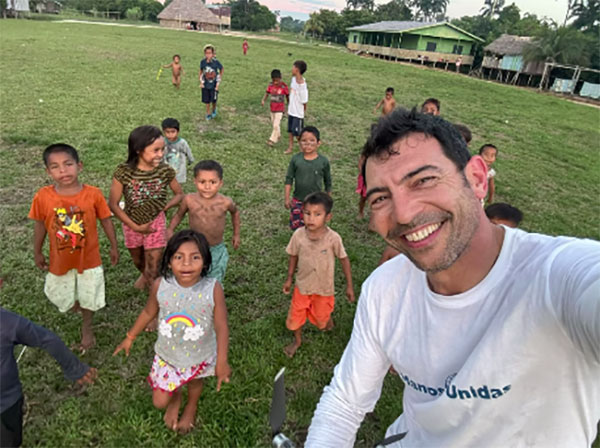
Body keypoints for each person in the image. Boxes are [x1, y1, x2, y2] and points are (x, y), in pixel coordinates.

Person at [305, 108, 600, 446]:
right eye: (381, 198)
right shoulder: (385, 288)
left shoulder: (557, 277)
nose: (403, 213)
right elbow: (344, 402)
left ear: (476, 178)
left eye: (423, 180)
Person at [113, 230, 231, 434]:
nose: (186, 264)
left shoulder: (213, 288)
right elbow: (149, 311)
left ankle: (191, 406)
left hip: (199, 353)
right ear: (168, 262)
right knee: (159, 401)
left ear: (205, 262)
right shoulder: (161, 285)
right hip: (167, 354)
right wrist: (130, 337)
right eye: (179, 257)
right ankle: (175, 394)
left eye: (195, 257)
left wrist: (222, 361)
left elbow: (221, 327)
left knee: (195, 382)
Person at [28, 143, 119, 352]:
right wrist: (37, 251)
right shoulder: (43, 196)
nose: (63, 171)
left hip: (89, 259)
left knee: (88, 294)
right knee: (60, 292)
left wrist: (114, 246)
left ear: (80, 166)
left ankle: (87, 327)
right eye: (55, 166)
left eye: (68, 164)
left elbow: (106, 219)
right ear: (47, 171)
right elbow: (40, 224)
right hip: (60, 259)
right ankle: (75, 303)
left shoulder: (93, 194)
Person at [108, 126, 183, 330]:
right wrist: (134, 226)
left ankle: (155, 311)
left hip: (155, 225)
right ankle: (145, 276)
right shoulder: (123, 172)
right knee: (138, 260)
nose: (161, 154)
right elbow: (113, 204)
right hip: (132, 224)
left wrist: (163, 208)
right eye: (156, 150)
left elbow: (179, 194)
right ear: (139, 150)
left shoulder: (165, 171)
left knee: (153, 269)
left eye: (162, 149)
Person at [1, 307, 98, 447]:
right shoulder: (8, 321)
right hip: (7, 406)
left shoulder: (7, 322)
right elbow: (47, 339)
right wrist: (75, 368)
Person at [282, 192, 354, 357]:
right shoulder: (298, 235)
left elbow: (344, 260)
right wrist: (289, 278)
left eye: (317, 214)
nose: (311, 219)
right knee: (296, 316)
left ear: (328, 217)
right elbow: (293, 256)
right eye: (307, 213)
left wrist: (349, 286)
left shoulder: (333, 239)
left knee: (321, 320)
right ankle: (297, 341)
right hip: (302, 286)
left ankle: (327, 319)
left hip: (324, 288)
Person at [167, 160, 240, 285]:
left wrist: (236, 234)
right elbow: (179, 215)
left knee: (215, 279)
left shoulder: (225, 202)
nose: (207, 187)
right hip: (195, 247)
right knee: (194, 277)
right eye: (202, 182)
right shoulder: (189, 200)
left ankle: (213, 301)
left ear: (220, 183)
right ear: (195, 181)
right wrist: (170, 229)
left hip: (216, 248)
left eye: (213, 182)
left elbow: (235, 213)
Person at [284, 126, 331, 230]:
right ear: (299, 142)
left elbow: (328, 182)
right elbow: (289, 179)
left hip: (316, 202)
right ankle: (299, 244)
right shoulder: (295, 160)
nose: (308, 144)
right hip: (298, 200)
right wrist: (287, 198)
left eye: (312, 140)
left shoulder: (323, 161)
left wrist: (328, 199)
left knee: (314, 226)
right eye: (304, 141)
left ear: (318, 143)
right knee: (297, 228)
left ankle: (312, 245)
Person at [284, 60, 308, 154]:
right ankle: (290, 147)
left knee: (297, 133)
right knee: (290, 131)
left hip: (298, 113)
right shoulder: (293, 79)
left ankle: (303, 148)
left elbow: (304, 101)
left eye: (293, 67)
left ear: (297, 70)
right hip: (291, 111)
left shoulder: (302, 86)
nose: (292, 69)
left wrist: (302, 112)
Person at [161, 118, 194, 184]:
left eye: (173, 132)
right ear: (164, 132)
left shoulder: (182, 143)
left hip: (179, 166)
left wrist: (190, 159)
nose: (170, 134)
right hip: (166, 165)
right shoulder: (162, 142)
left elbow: (188, 151)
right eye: (167, 132)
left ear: (178, 131)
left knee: (178, 181)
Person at [261, 69, 289, 147]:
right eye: (274, 81)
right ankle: (278, 135)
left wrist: (288, 104)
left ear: (280, 78)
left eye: (277, 80)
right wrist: (263, 100)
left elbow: (287, 96)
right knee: (274, 124)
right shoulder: (270, 85)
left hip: (280, 109)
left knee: (276, 125)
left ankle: (272, 140)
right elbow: (267, 93)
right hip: (272, 108)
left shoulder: (283, 86)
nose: (275, 82)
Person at [199, 44, 223, 121]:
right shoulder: (203, 62)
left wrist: (219, 79)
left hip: (214, 85)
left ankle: (214, 109)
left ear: (213, 54)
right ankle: (208, 113)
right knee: (207, 100)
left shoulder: (216, 62)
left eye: (210, 53)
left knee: (214, 100)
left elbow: (221, 68)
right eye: (207, 53)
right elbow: (201, 71)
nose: (208, 55)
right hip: (206, 84)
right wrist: (201, 82)